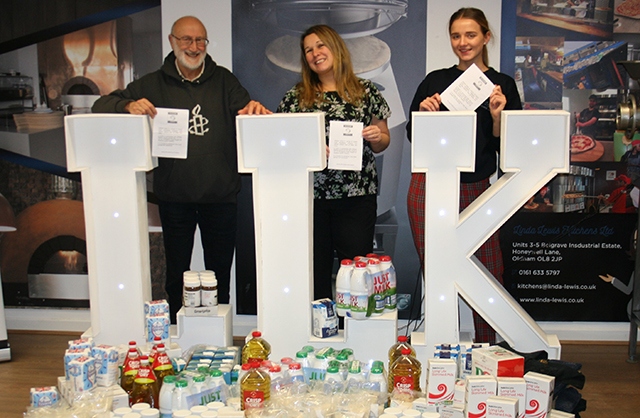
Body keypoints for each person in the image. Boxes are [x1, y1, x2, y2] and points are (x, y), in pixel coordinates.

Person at [92, 16, 271, 323]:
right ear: (173, 42)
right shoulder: (151, 83)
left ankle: (219, 336)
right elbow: (101, 105)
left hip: (221, 197)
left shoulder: (225, 81)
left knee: (218, 277)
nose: (194, 46)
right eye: (186, 40)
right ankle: (176, 334)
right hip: (175, 199)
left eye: (200, 40)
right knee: (176, 274)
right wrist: (127, 106)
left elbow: (246, 111)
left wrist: (253, 109)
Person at [405, 7, 522, 344]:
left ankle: (487, 350)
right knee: (437, 269)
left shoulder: (502, 85)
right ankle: (444, 348)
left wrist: (499, 116)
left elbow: (509, 146)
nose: (462, 42)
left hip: (476, 187)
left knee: (488, 271)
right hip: (429, 186)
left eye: (470, 35)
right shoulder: (435, 81)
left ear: (486, 37)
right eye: (456, 35)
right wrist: (425, 114)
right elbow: (415, 134)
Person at [277, 24, 391, 301]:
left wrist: (377, 136)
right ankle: (318, 330)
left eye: (320, 45)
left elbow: (383, 140)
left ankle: (354, 331)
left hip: (356, 196)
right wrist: (306, 148)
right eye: (308, 50)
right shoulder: (296, 97)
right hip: (310, 196)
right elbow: (282, 144)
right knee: (313, 269)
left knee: (356, 271)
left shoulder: (366, 91)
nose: (315, 53)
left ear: (336, 48)